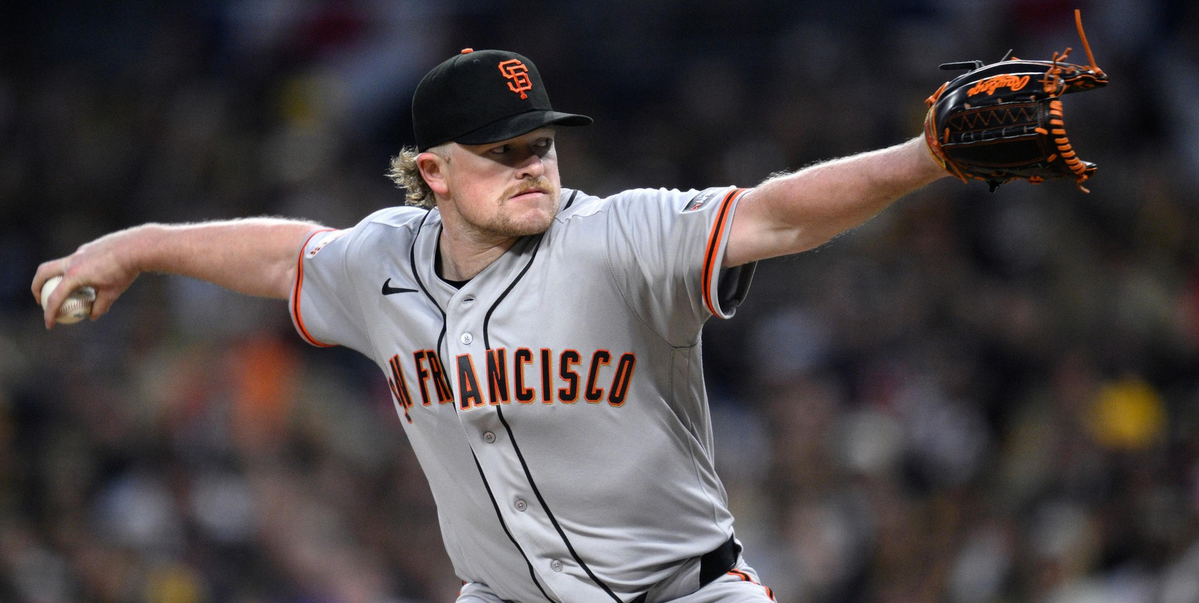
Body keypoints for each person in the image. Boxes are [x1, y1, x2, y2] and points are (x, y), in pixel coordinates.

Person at [33, 48, 947, 603]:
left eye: (539, 143)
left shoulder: (619, 236)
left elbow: (776, 214)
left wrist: (923, 155)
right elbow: (285, 256)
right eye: (501, 151)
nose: (532, 166)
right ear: (430, 171)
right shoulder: (381, 261)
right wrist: (141, 246)